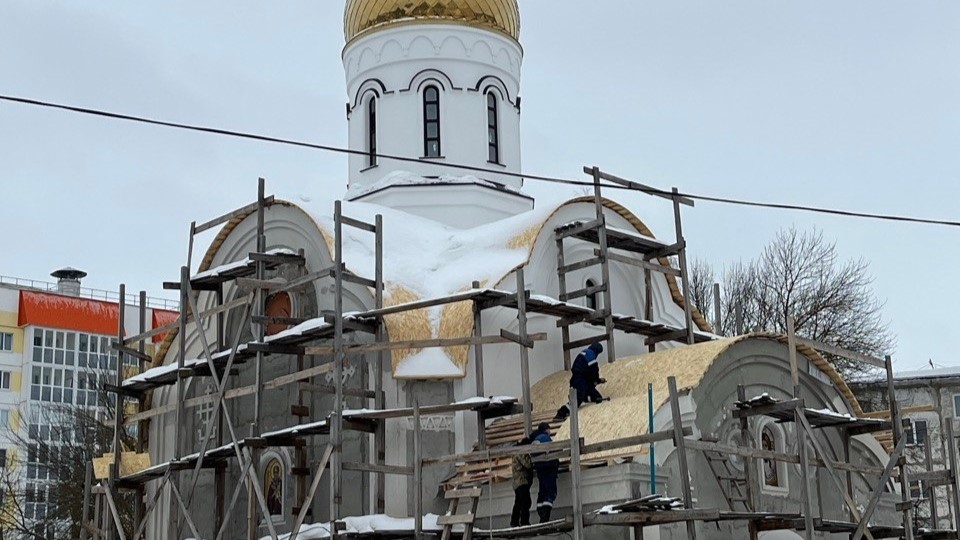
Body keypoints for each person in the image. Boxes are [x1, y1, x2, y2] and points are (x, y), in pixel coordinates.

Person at [554, 342, 607, 420]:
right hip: (580, 381)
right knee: (577, 400)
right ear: (597, 351)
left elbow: (587, 373)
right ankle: (561, 413)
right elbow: (594, 371)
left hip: (580, 379)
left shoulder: (584, 352)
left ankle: (585, 397)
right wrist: (598, 380)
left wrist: (596, 381)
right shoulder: (591, 355)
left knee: (597, 398)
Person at [531, 422, 559, 523]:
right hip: (548, 467)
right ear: (546, 429)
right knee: (550, 492)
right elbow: (554, 451)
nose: (550, 431)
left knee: (542, 491)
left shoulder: (535, 439)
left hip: (540, 469)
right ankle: (545, 517)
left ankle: (541, 512)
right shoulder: (546, 438)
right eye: (549, 429)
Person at [509, 437, 534, 527]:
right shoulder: (520, 452)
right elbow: (527, 464)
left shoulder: (517, 451)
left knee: (519, 502)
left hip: (518, 482)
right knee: (526, 502)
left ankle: (515, 522)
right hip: (521, 481)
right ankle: (523, 521)